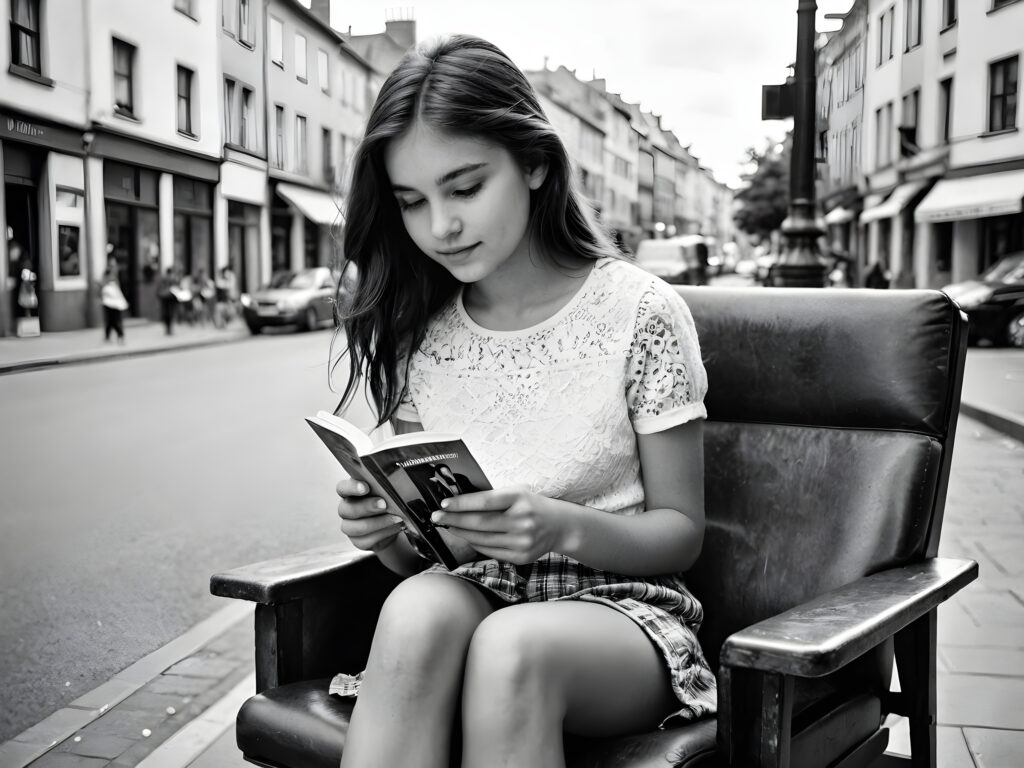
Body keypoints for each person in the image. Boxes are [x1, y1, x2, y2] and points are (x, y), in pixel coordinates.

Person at [329, 35, 715, 767]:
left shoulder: (639, 313)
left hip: (623, 612)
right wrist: (384, 533)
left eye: (465, 187)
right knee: (413, 609)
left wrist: (559, 529)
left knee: (511, 648)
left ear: (534, 162)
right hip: (478, 589)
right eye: (412, 201)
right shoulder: (423, 334)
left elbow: (681, 532)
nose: (440, 225)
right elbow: (429, 561)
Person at [99, 266, 128, 344]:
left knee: (114, 321)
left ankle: (119, 335)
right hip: (109, 304)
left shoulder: (112, 284)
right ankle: (110, 336)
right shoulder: (108, 284)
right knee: (110, 322)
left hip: (114, 305)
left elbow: (117, 295)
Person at [156, 267, 177, 335]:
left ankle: (168, 329)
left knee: (168, 314)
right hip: (167, 298)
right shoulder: (169, 279)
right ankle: (168, 329)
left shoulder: (169, 279)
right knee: (168, 314)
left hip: (167, 298)